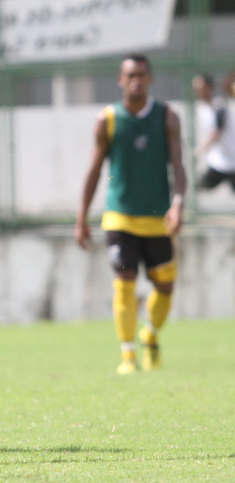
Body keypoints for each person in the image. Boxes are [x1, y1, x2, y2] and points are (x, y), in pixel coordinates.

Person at [76, 53, 186, 375]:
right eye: (130, 75)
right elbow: (95, 170)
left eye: (141, 74)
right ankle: (128, 356)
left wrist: (178, 203)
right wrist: (81, 216)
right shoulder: (107, 119)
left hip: (158, 220)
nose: (136, 80)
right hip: (119, 218)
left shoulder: (167, 117)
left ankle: (149, 334)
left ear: (150, 79)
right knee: (124, 284)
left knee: (165, 287)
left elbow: (178, 166)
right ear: (120, 80)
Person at [192, 74, 235, 192]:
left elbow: (218, 130)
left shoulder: (218, 106)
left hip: (232, 159)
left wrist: (201, 149)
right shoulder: (202, 108)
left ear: (210, 88)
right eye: (196, 88)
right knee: (201, 187)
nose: (198, 91)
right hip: (219, 161)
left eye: (201, 88)